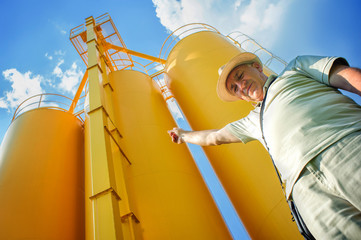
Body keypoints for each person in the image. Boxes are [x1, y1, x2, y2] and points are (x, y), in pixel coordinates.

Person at [168, 52, 361, 239]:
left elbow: (348, 77)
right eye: (235, 88)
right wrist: (183, 135)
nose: (240, 86)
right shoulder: (252, 121)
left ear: (257, 67)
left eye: (240, 76)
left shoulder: (295, 69)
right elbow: (215, 137)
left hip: (345, 146)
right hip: (305, 192)